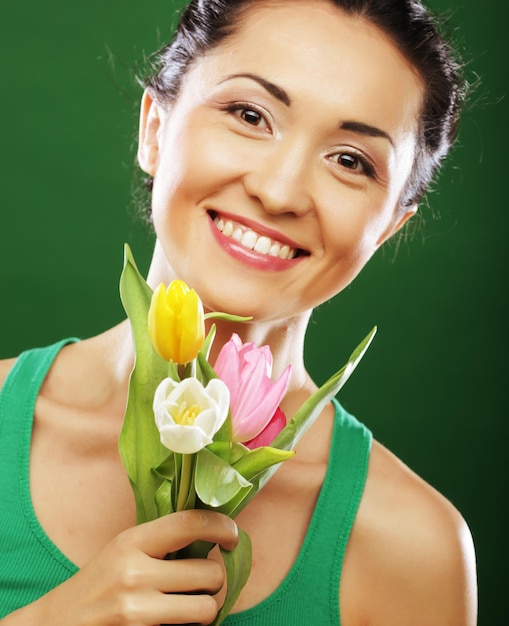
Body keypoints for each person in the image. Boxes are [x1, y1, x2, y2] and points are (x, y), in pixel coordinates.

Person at [0, 0, 477, 623]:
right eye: (250, 115)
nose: (278, 192)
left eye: (350, 161)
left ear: (387, 229)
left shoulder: (414, 546)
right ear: (154, 128)